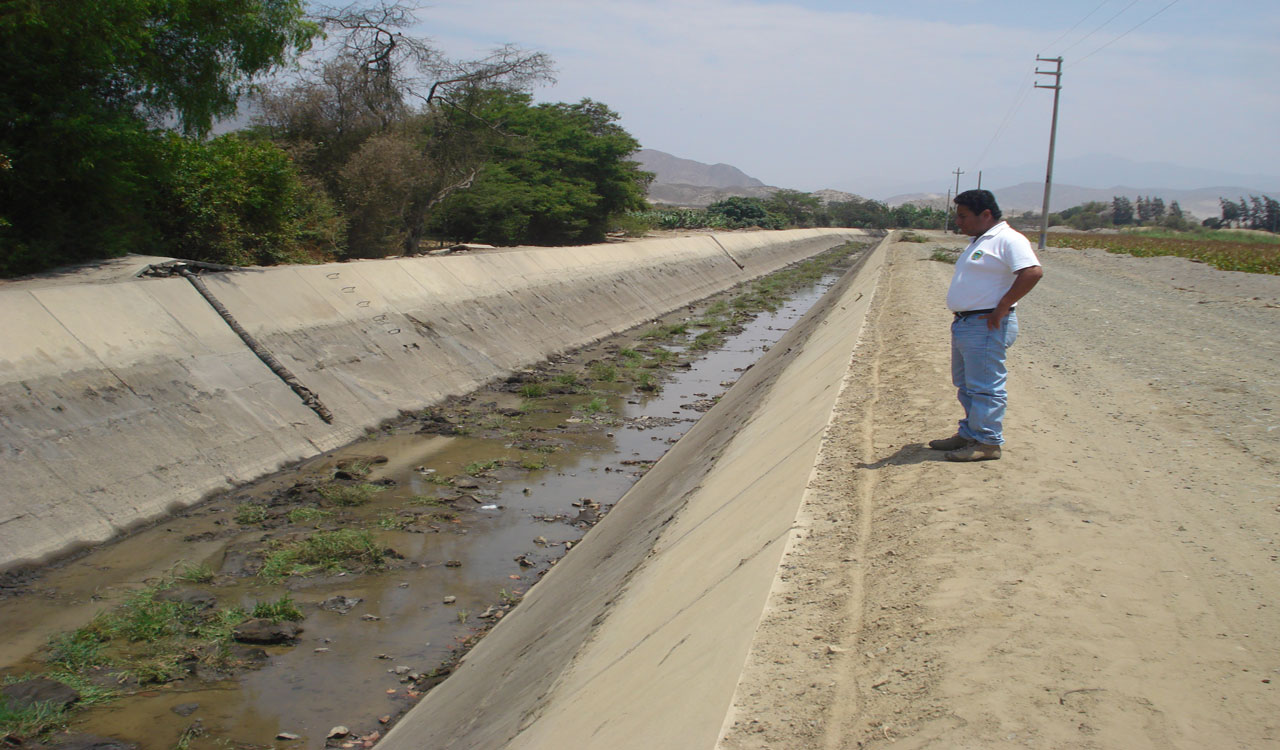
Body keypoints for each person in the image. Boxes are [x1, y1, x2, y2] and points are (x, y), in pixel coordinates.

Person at [929, 190, 1043, 461]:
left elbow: (1032, 272)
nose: (959, 222)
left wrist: (1003, 306)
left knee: (986, 385)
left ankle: (988, 442)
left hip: (985, 323)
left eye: (963, 216)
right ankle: (970, 433)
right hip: (967, 323)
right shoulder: (980, 240)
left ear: (986, 215)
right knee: (966, 384)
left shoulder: (1008, 239)